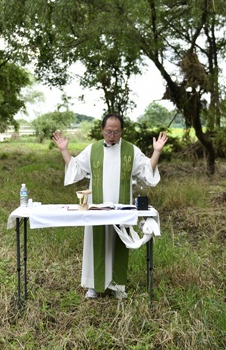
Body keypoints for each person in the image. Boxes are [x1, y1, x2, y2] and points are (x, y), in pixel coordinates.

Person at [52, 113, 168, 299]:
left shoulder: (131, 150)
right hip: (96, 206)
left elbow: (148, 170)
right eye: (108, 131)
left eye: (116, 132)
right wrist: (64, 150)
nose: (112, 135)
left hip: (121, 207)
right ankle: (93, 284)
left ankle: (117, 285)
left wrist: (157, 152)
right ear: (102, 130)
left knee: (118, 242)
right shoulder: (93, 149)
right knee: (95, 241)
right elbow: (77, 169)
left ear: (122, 132)